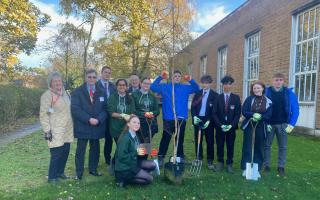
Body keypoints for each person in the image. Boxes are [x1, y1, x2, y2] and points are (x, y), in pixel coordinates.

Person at [150, 70, 199, 165]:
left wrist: (190, 79)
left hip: (181, 118)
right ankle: (161, 157)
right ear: (171, 78)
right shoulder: (165, 87)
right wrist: (161, 77)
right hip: (169, 118)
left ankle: (180, 157)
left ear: (180, 78)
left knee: (179, 139)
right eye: (175, 76)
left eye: (178, 76)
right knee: (166, 138)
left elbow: (197, 88)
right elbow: (153, 87)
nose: (177, 77)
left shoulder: (185, 88)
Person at [71, 69, 108, 180]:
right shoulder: (77, 91)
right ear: (86, 78)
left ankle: (93, 169)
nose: (92, 79)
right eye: (89, 77)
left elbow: (106, 108)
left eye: (94, 77)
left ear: (96, 78)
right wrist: (88, 119)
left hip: (96, 125)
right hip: (83, 125)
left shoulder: (101, 91)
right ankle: (79, 173)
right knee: (80, 150)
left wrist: (99, 119)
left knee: (95, 149)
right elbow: (75, 109)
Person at [40, 71, 74, 183]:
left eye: (59, 80)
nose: (58, 83)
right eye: (55, 81)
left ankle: (60, 172)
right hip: (55, 128)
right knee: (56, 153)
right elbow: (44, 114)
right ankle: (52, 177)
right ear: (51, 83)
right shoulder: (47, 95)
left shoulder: (66, 93)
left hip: (67, 128)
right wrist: (47, 130)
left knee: (65, 151)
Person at [264, 73, 299, 176]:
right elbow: (262, 108)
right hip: (269, 124)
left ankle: (281, 167)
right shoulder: (266, 92)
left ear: (283, 81)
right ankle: (266, 165)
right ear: (272, 81)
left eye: (280, 80)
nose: (278, 82)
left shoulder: (289, 93)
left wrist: (292, 124)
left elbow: (295, 109)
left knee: (282, 147)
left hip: (283, 124)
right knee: (266, 146)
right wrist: (265, 122)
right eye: (276, 80)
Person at [240, 82, 272, 176]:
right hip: (249, 125)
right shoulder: (249, 99)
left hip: (261, 126)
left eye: (258, 88)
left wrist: (260, 117)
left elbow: (269, 115)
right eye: (254, 88)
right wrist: (252, 114)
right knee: (247, 146)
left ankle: (256, 168)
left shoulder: (268, 101)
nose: (256, 90)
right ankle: (246, 168)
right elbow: (244, 111)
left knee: (259, 147)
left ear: (262, 89)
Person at [114, 115, 156, 187]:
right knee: (150, 179)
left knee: (153, 165)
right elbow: (122, 157)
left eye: (138, 123)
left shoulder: (135, 135)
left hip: (133, 162)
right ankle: (123, 180)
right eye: (134, 122)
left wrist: (149, 150)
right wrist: (137, 152)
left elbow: (138, 148)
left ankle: (138, 174)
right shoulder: (125, 138)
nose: (137, 124)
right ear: (128, 124)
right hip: (124, 168)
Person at [212, 75, 241, 173]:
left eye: (229, 84)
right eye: (225, 84)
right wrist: (220, 125)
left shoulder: (236, 98)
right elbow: (214, 113)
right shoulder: (217, 98)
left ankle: (229, 163)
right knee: (219, 144)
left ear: (231, 85)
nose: (227, 86)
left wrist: (231, 125)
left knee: (230, 145)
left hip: (231, 128)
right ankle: (220, 162)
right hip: (220, 127)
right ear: (222, 85)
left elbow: (237, 114)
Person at [191, 75, 218, 170]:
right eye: (203, 83)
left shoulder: (215, 95)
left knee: (210, 140)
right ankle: (199, 157)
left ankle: (210, 160)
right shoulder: (198, 93)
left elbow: (215, 111)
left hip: (208, 120)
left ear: (210, 83)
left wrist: (210, 120)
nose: (205, 85)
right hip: (198, 119)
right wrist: (194, 117)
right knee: (198, 140)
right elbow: (193, 107)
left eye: (207, 83)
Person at [132, 77, 160, 157]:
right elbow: (133, 110)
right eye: (145, 83)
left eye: (148, 83)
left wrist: (151, 113)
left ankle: (144, 160)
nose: (146, 85)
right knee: (140, 142)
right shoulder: (134, 95)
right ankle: (139, 160)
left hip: (151, 123)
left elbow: (157, 110)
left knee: (147, 142)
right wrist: (144, 114)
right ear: (141, 84)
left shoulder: (152, 96)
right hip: (139, 123)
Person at [97, 66, 116, 166]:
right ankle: (94, 160)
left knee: (109, 138)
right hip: (99, 115)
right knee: (95, 139)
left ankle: (107, 158)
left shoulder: (113, 86)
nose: (107, 74)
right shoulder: (95, 85)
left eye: (109, 73)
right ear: (101, 72)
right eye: (106, 72)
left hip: (110, 116)